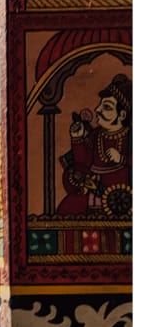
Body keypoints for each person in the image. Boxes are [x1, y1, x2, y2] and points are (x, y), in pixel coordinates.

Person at [58, 73, 131, 218]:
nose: (98, 110)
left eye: (107, 107)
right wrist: (77, 139)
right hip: (94, 189)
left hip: (122, 195)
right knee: (67, 208)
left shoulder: (131, 136)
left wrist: (122, 159)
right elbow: (83, 161)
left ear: (122, 115)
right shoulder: (96, 135)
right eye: (100, 105)